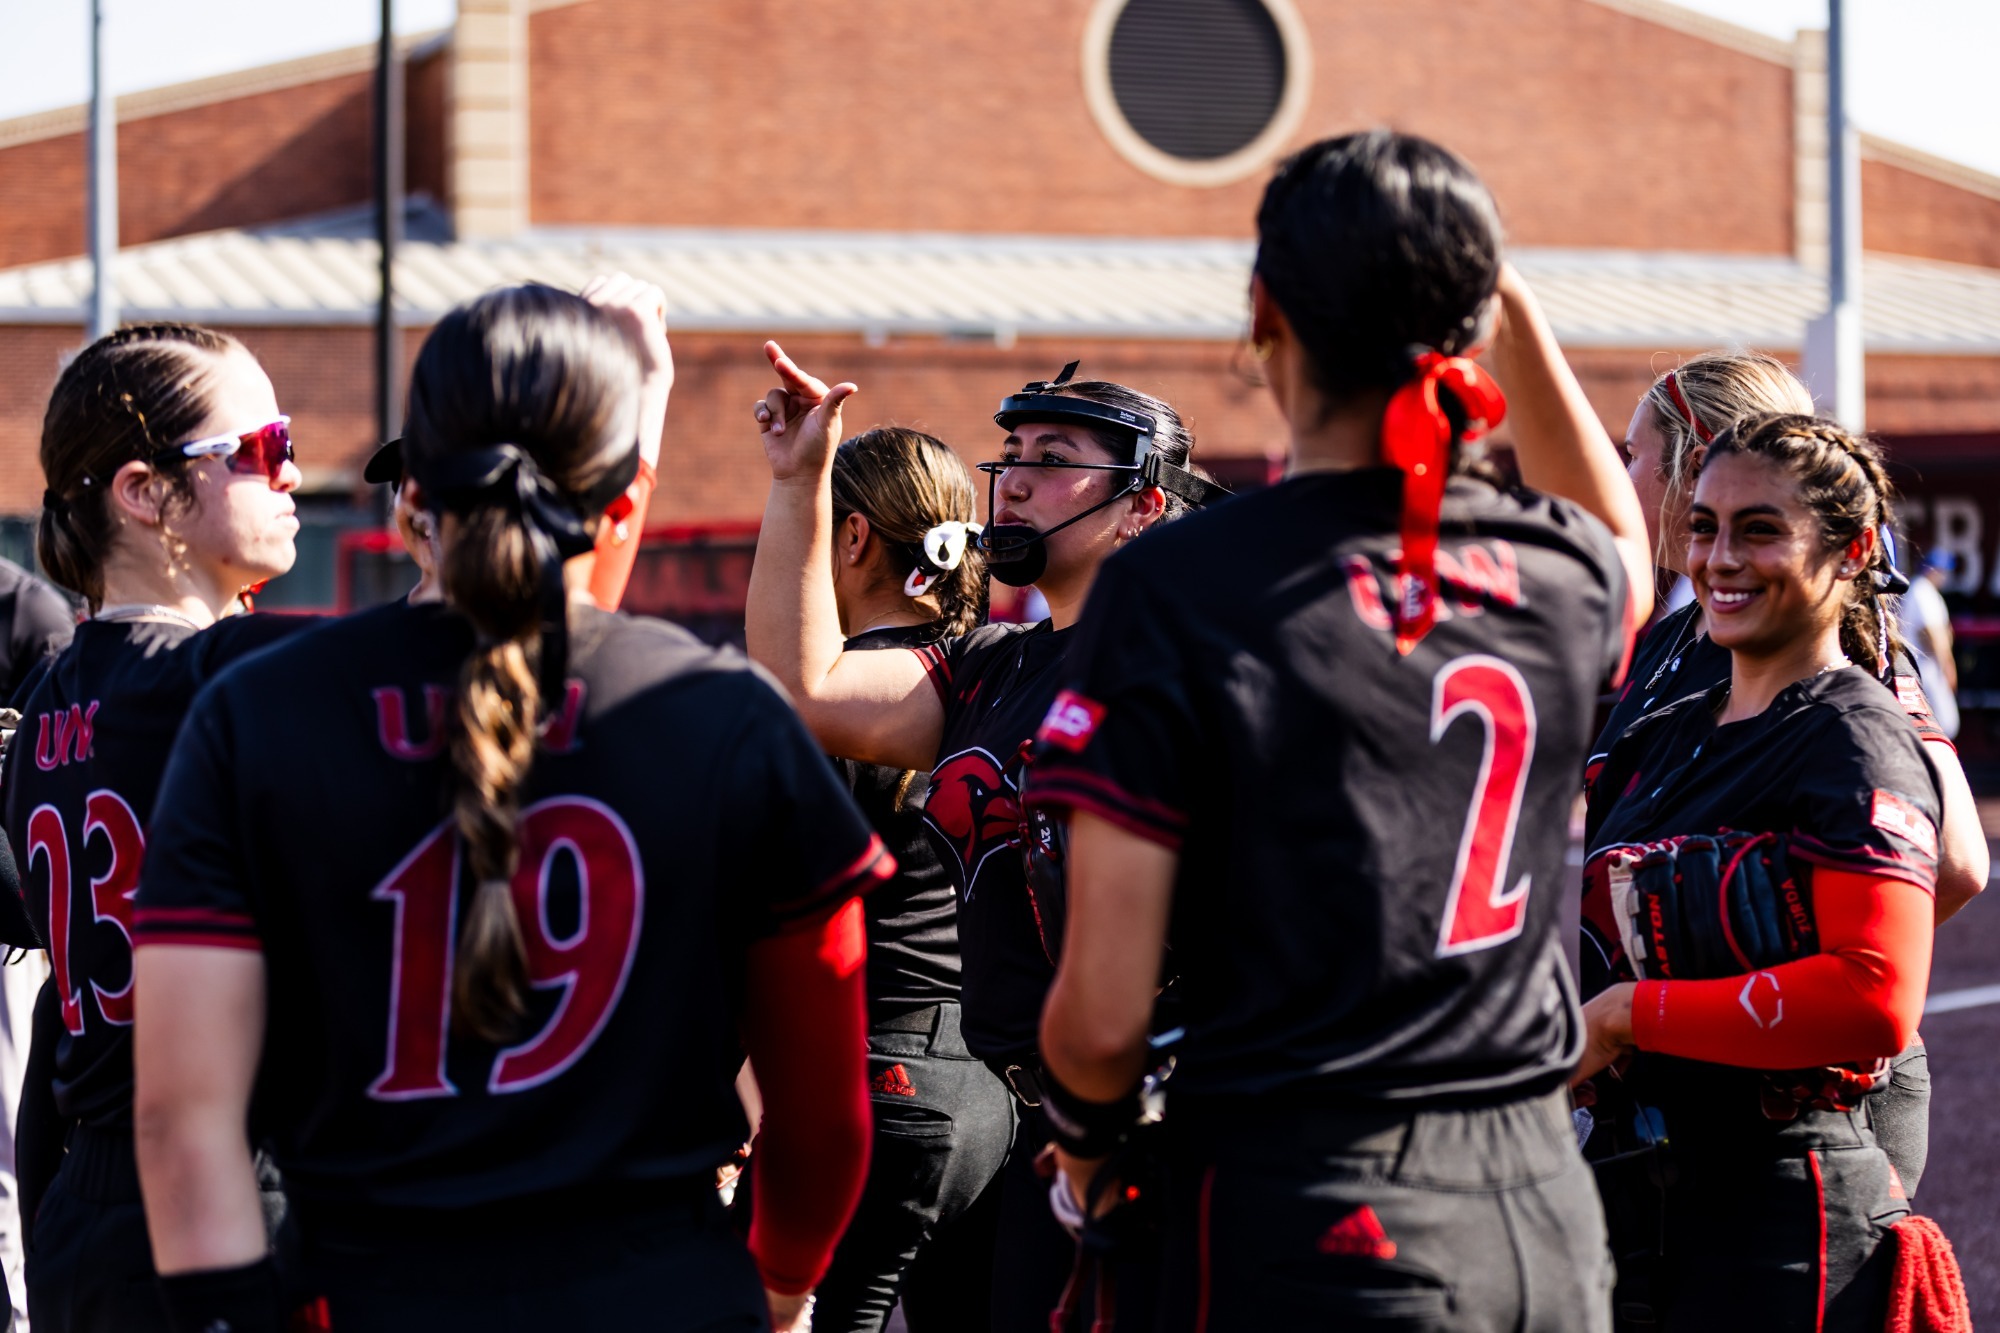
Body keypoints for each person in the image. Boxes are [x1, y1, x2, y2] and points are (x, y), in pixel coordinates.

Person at [131, 283, 879, 1333]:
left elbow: (176, 1120)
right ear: (622, 506)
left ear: (409, 502)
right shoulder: (724, 718)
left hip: (373, 1292)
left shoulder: (257, 713)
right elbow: (822, 1125)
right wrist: (775, 1287)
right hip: (659, 1294)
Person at [1023, 130, 1650, 1331]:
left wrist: (1091, 1150)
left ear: (1264, 312)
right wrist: (1491, 290)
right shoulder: (1553, 566)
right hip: (1537, 1208)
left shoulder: (1179, 585)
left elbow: (1098, 1021)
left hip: (1307, 1205)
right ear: (1470, 327)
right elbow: (1617, 535)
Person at [744, 344, 1224, 1329]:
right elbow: (807, 687)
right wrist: (799, 479)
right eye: (1009, 454)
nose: (1012, 480)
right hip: (1028, 1117)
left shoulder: (1192, 666)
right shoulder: (991, 666)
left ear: (1142, 503)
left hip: (1169, 1123)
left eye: (1053, 457)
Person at [1579, 412, 1957, 1330]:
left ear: (1854, 549)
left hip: (1787, 1227)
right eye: (1705, 525)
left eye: (1760, 529)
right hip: (1641, 1202)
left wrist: (1631, 1017)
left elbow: (1876, 996)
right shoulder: (1671, 726)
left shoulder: (1854, 732)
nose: (1719, 558)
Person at [0, 322, 309, 1333]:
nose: (292, 472)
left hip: (86, 1202)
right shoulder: (228, 677)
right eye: (263, 449)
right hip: (236, 1193)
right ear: (146, 493)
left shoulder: (46, 693)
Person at [807, 426, 1012, 1333]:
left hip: (879, 1073)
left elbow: (782, 924)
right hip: (992, 1089)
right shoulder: (992, 680)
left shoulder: (844, 707)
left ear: (851, 539)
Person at [1898, 551, 1959, 740]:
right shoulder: (1922, 590)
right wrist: (1948, 666)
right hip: (1925, 668)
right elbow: (1931, 634)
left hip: (1920, 668)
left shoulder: (1919, 589)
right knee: (1943, 725)